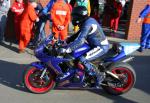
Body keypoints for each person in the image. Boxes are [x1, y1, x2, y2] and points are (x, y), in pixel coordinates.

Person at [59, 6, 110, 86]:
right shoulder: (86, 21)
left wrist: (67, 49)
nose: (73, 18)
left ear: (79, 16)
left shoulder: (88, 24)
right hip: (93, 45)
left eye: (74, 16)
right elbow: (79, 33)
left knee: (82, 59)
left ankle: (98, 76)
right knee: (75, 54)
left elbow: (80, 40)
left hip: (100, 46)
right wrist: (67, 40)